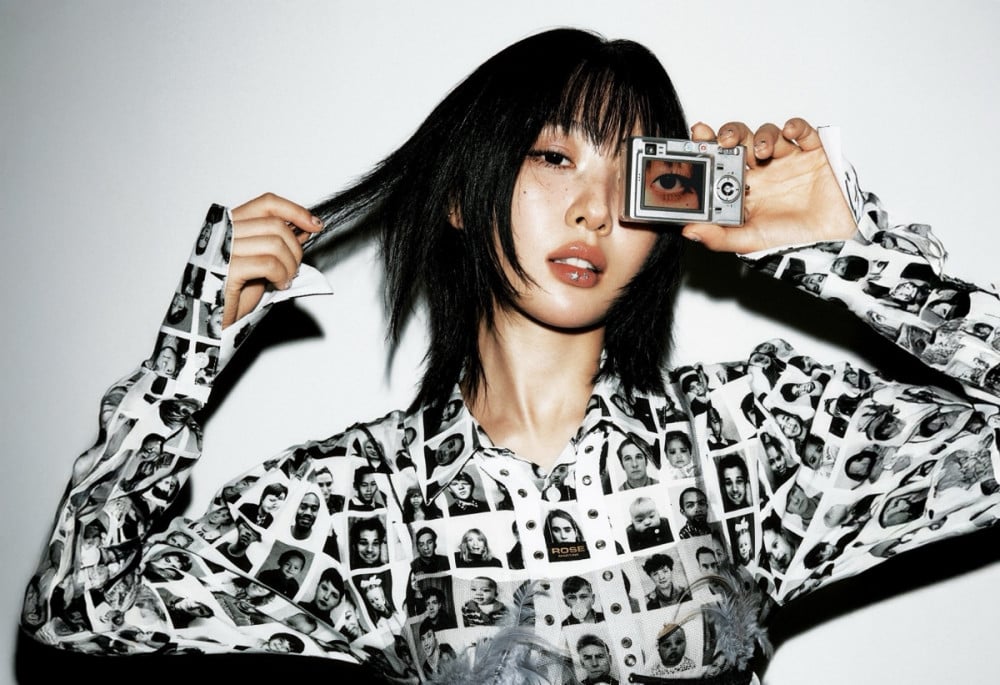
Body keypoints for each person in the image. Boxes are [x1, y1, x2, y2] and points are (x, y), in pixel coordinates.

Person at [21, 26, 1000, 685]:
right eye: (553, 156)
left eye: (633, 176)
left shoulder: (753, 439)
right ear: (463, 193)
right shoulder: (364, 503)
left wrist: (846, 252)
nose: (593, 209)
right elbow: (77, 615)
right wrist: (192, 348)